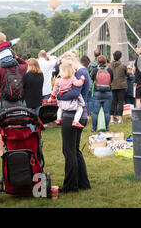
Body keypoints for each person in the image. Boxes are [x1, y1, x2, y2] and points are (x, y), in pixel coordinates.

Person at [54, 51, 91, 193]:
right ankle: (83, 182)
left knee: (68, 150)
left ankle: (71, 186)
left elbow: (74, 93)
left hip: (71, 115)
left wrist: (59, 94)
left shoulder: (78, 74)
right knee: (75, 150)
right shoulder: (83, 71)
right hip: (78, 114)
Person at [0, 52, 27, 158]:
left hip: (4, 101)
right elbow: (26, 64)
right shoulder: (20, 68)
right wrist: (17, 57)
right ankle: (20, 147)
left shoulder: (1, 69)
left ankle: (2, 152)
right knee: (19, 124)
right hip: (18, 101)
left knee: (1, 126)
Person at [49, 62, 86, 129]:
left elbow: (55, 89)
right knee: (80, 108)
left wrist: (51, 97)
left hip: (61, 96)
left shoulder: (58, 80)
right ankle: (75, 121)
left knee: (60, 108)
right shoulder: (72, 78)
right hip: (70, 100)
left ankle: (58, 118)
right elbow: (78, 84)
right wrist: (82, 79)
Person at [90, 55, 113, 132]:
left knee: (95, 112)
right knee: (107, 112)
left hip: (97, 93)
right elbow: (111, 80)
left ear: (98, 62)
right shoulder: (110, 70)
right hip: (108, 92)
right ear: (106, 61)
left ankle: (93, 129)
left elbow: (92, 79)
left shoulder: (94, 70)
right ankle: (106, 128)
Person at [110, 51, 127, 124]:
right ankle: (120, 119)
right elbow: (126, 74)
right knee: (120, 102)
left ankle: (111, 119)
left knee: (113, 102)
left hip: (112, 85)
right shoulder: (123, 66)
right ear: (120, 57)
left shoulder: (109, 66)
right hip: (121, 86)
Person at [87, 49, 101, 116]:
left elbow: (88, 74)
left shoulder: (90, 65)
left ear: (94, 55)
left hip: (92, 84)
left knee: (91, 100)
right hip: (101, 83)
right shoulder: (103, 64)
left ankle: (90, 114)